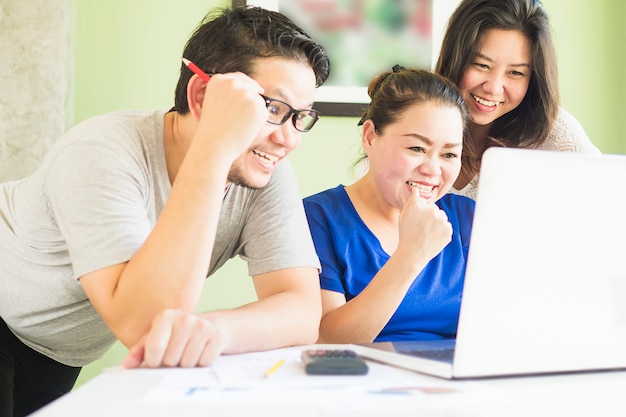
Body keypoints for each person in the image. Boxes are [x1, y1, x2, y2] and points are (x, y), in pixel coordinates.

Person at [0, 6, 330, 416]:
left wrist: (213, 330)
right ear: (202, 95)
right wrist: (215, 145)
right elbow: (145, 327)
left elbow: (301, 310)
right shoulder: (100, 152)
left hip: (59, 345)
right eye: (272, 109)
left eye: (301, 117)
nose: (288, 140)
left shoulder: (261, 170)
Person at [303, 66, 475, 344]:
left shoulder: (467, 217)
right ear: (370, 136)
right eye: (417, 148)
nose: (433, 169)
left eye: (449, 154)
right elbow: (326, 339)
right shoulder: (318, 218)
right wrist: (410, 256)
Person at [435, 0, 600, 200]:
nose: (494, 88)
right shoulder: (420, 113)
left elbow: (609, 204)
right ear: (455, 58)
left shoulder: (556, 137)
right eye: (482, 65)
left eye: (515, 72)